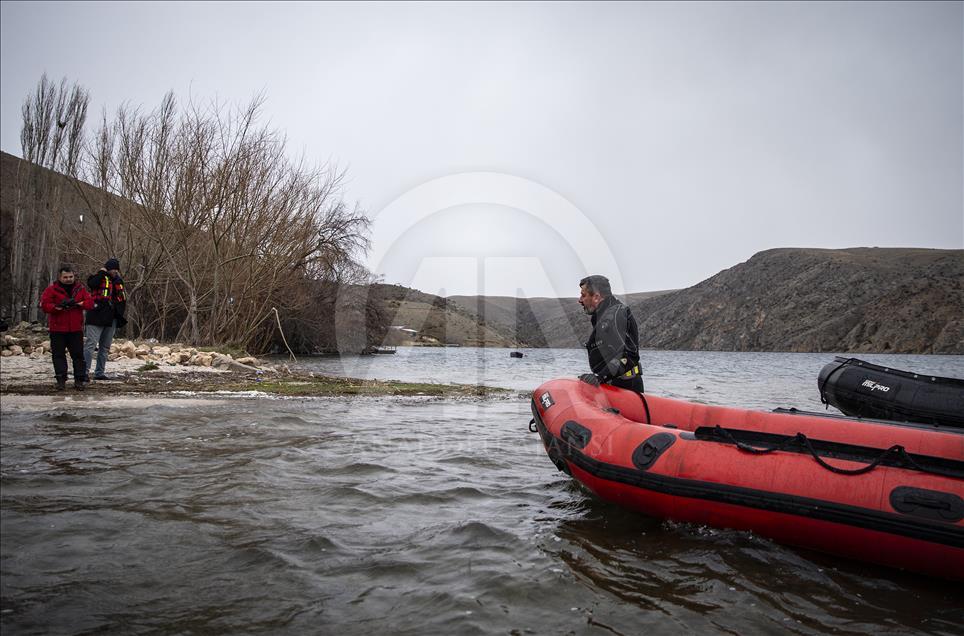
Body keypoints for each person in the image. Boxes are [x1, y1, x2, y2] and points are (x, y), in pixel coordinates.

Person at [577, 274, 644, 392]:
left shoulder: (616, 315)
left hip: (626, 386)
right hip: (613, 384)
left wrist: (600, 376)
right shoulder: (603, 315)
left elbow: (629, 355)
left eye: (583, 295)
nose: (580, 300)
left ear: (596, 297)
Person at [39, 265, 95, 390]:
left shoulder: (80, 288)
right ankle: (60, 380)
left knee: (78, 355)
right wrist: (57, 307)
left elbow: (90, 303)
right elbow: (44, 305)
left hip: (75, 329)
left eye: (71, 277)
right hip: (57, 328)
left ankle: (79, 380)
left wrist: (78, 303)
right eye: (65, 277)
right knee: (58, 355)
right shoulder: (52, 289)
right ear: (60, 277)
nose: (69, 279)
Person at [84, 257, 128, 381]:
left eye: (116, 269)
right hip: (96, 316)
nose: (114, 271)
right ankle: (84, 372)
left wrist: (119, 315)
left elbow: (121, 300)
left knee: (105, 347)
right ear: (107, 268)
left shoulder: (118, 281)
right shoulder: (98, 278)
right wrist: (102, 272)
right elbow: (91, 284)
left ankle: (99, 372)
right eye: (112, 269)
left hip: (111, 318)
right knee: (91, 344)